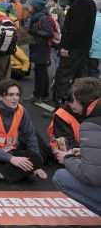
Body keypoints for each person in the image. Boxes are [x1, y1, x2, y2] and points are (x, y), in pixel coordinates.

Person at [53, 77, 101, 216]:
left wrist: (67, 158)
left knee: (61, 177)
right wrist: (84, 152)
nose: (71, 104)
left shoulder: (92, 125)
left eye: (73, 99)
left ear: (82, 101)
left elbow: (92, 176)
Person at [53, 0, 97, 105]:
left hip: (73, 49)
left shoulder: (81, 2)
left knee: (64, 76)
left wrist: (66, 47)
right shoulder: (88, 1)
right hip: (81, 48)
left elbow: (76, 29)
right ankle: (76, 106)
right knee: (78, 78)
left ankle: (60, 106)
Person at [25, 0, 54, 103]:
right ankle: (43, 94)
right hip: (39, 47)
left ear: (36, 7)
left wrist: (34, 32)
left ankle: (38, 95)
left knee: (40, 72)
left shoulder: (43, 18)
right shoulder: (38, 17)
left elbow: (49, 33)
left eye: (31, 6)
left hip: (41, 48)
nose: (29, 7)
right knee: (41, 71)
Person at [88, 0, 101, 77]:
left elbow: (93, 37)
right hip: (97, 52)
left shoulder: (94, 19)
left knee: (92, 74)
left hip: (93, 52)